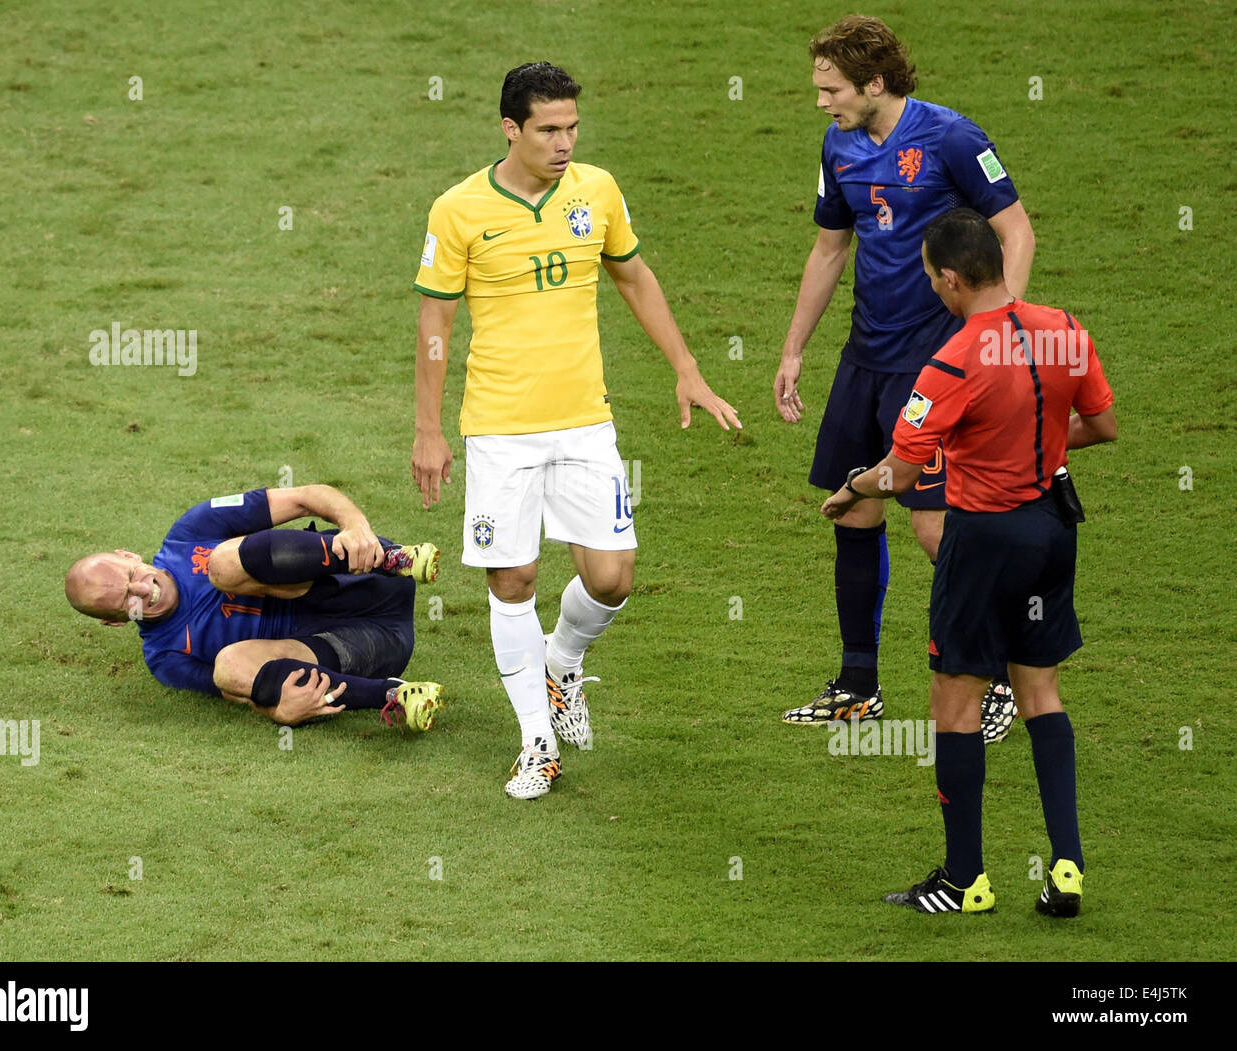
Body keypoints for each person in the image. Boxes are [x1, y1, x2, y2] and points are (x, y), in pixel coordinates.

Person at [411, 61, 740, 799]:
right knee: (514, 577)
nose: (564, 143)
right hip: (499, 429)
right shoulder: (458, 210)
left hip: (585, 420)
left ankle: (564, 662)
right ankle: (537, 743)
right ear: (511, 129)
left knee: (612, 575)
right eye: (549, 130)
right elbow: (434, 321)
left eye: (572, 128)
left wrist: (686, 367)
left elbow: (632, 275)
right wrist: (429, 429)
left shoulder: (597, 191)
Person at [820, 208, 1116, 915]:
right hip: (1053, 530)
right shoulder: (1066, 329)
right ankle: (1067, 864)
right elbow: (1102, 424)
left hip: (985, 541)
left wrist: (850, 487)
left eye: (931, 278)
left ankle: (963, 880)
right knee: (1041, 692)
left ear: (951, 278)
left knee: (953, 704)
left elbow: (899, 472)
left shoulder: (953, 359)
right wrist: (1035, 440)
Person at [774, 14, 1036, 741]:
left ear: (876, 82)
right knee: (852, 507)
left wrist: (996, 332)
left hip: (937, 363)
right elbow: (831, 248)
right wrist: (795, 348)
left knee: (934, 526)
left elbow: (1016, 230)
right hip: (867, 357)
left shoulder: (952, 137)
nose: (822, 101)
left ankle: (1004, 679)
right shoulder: (839, 144)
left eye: (832, 88)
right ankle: (858, 686)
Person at [64, 484, 444, 730]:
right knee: (226, 669)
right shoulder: (165, 658)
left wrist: (355, 526)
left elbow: (305, 496)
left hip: (367, 577)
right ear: (115, 623)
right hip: (364, 648)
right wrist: (278, 710)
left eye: (132, 573)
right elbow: (238, 692)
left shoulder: (191, 531)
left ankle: (393, 558)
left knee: (221, 565)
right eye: (126, 601)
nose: (143, 589)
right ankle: (394, 696)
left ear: (129, 554)